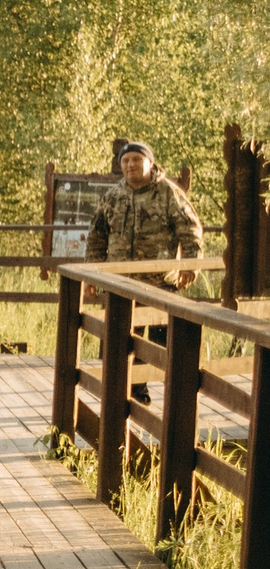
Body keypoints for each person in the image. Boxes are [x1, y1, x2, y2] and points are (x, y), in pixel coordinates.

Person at [87, 141, 203, 403]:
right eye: (126, 161)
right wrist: (91, 276)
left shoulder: (168, 193)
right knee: (116, 342)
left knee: (155, 348)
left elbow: (190, 230)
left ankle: (145, 396)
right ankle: (120, 396)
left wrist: (190, 264)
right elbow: (96, 237)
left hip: (159, 284)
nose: (130, 166)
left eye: (136, 160)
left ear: (149, 162)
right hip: (119, 285)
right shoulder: (112, 197)